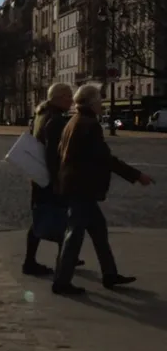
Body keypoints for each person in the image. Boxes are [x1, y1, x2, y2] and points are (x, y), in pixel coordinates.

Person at [52, 83, 154, 296]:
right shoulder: (89, 124)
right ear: (91, 103)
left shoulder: (74, 121)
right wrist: (136, 175)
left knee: (98, 231)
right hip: (82, 187)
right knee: (75, 235)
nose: (101, 104)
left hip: (75, 185)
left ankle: (109, 273)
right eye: (99, 100)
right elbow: (106, 159)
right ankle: (62, 281)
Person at [23, 82, 74, 277]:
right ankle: (63, 264)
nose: (71, 100)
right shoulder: (56, 119)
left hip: (38, 175)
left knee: (40, 218)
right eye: (68, 96)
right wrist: (58, 181)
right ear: (59, 97)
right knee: (61, 218)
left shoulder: (41, 115)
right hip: (50, 177)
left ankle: (31, 260)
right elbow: (54, 155)